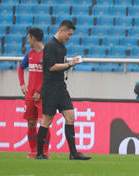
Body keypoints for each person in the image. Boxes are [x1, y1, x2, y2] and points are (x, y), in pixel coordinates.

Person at [34, 20, 89, 160]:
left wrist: (70, 64)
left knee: (71, 116)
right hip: (50, 87)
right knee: (47, 120)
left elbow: (61, 65)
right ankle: (39, 153)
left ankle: (73, 153)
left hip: (60, 87)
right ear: (62, 30)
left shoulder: (62, 48)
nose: (69, 37)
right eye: (69, 34)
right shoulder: (51, 46)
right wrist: (69, 63)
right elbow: (51, 67)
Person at [18, 27, 50, 158]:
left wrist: (39, 91)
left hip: (43, 96)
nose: (28, 41)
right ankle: (33, 151)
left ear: (33, 38)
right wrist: (22, 83)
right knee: (31, 122)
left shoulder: (47, 54)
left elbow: (49, 75)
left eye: (28, 38)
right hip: (30, 96)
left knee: (44, 123)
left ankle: (44, 152)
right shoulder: (30, 54)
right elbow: (20, 67)